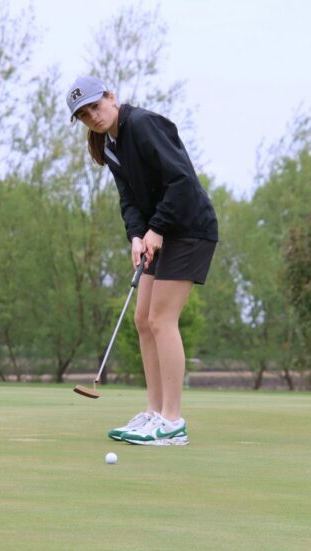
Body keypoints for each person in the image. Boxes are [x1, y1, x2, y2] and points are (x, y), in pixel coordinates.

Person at [66, 75, 218, 446]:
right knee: (142, 319)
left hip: (189, 228)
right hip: (160, 232)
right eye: (84, 115)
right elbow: (129, 199)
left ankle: (172, 421)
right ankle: (153, 414)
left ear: (111, 97)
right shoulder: (109, 144)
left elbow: (181, 181)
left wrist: (158, 228)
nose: (93, 117)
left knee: (161, 319)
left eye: (95, 107)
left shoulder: (143, 124)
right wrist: (136, 234)